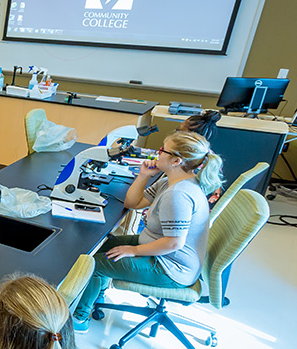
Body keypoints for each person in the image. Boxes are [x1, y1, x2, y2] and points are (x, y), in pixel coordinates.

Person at [72, 130, 223, 332]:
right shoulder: (170, 181)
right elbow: (132, 203)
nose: (157, 153)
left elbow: (174, 243)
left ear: (176, 161)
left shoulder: (178, 194)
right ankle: (97, 295)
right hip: (160, 250)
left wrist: (133, 251)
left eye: (162, 150)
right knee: (100, 246)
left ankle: (80, 319)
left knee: (95, 264)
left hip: (171, 268)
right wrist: (143, 175)